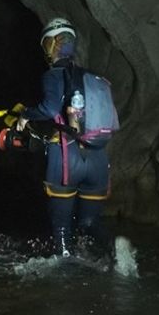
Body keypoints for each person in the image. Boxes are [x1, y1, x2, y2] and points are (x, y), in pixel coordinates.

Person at [16, 17, 115, 258]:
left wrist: (25, 116)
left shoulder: (53, 75)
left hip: (67, 158)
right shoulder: (92, 78)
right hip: (98, 158)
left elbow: (50, 109)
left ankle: (64, 277)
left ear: (49, 45)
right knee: (90, 224)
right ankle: (117, 255)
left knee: (62, 228)